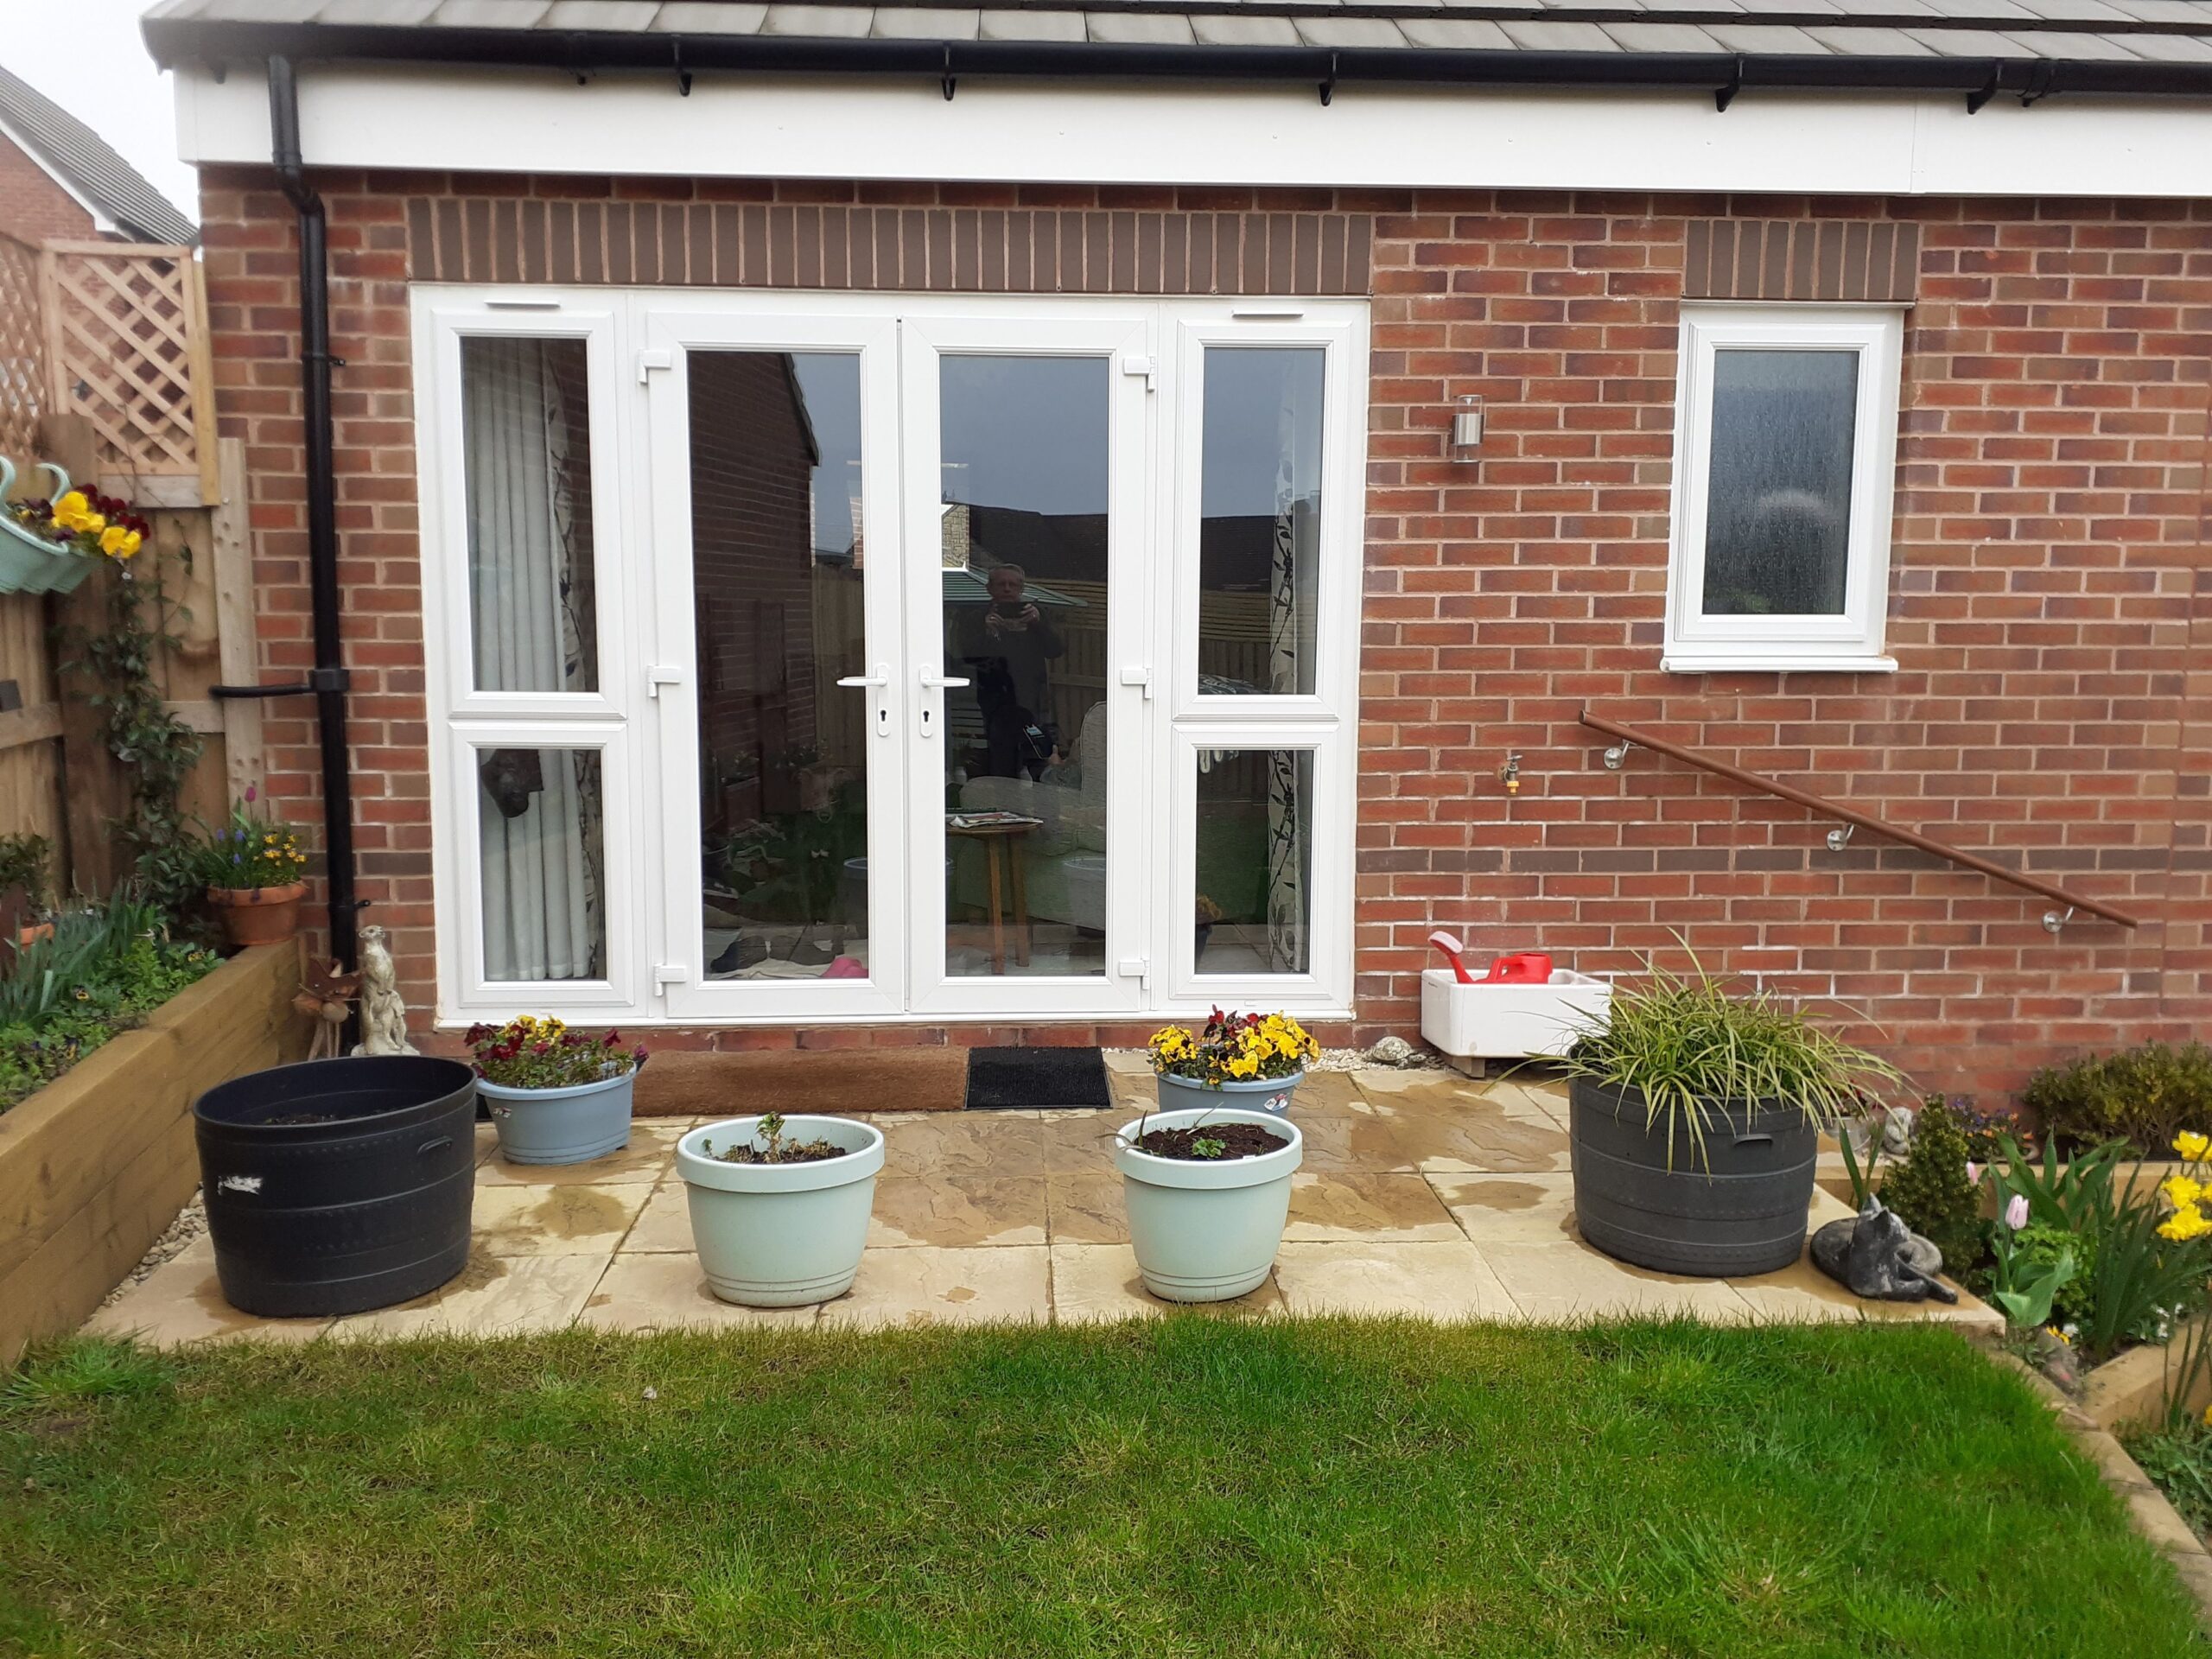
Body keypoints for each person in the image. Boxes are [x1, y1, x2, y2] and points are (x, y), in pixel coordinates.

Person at [959, 563, 1064, 779]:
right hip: (997, 702)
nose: (1007, 589)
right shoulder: (976, 617)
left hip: (1033, 700)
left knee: (1040, 761)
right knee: (1003, 763)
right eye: (1001, 584)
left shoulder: (1036, 614)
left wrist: (1038, 624)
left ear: (1021, 589)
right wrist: (988, 632)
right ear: (989, 588)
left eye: (1013, 585)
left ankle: (1046, 811)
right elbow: (967, 656)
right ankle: (1005, 809)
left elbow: (1055, 650)